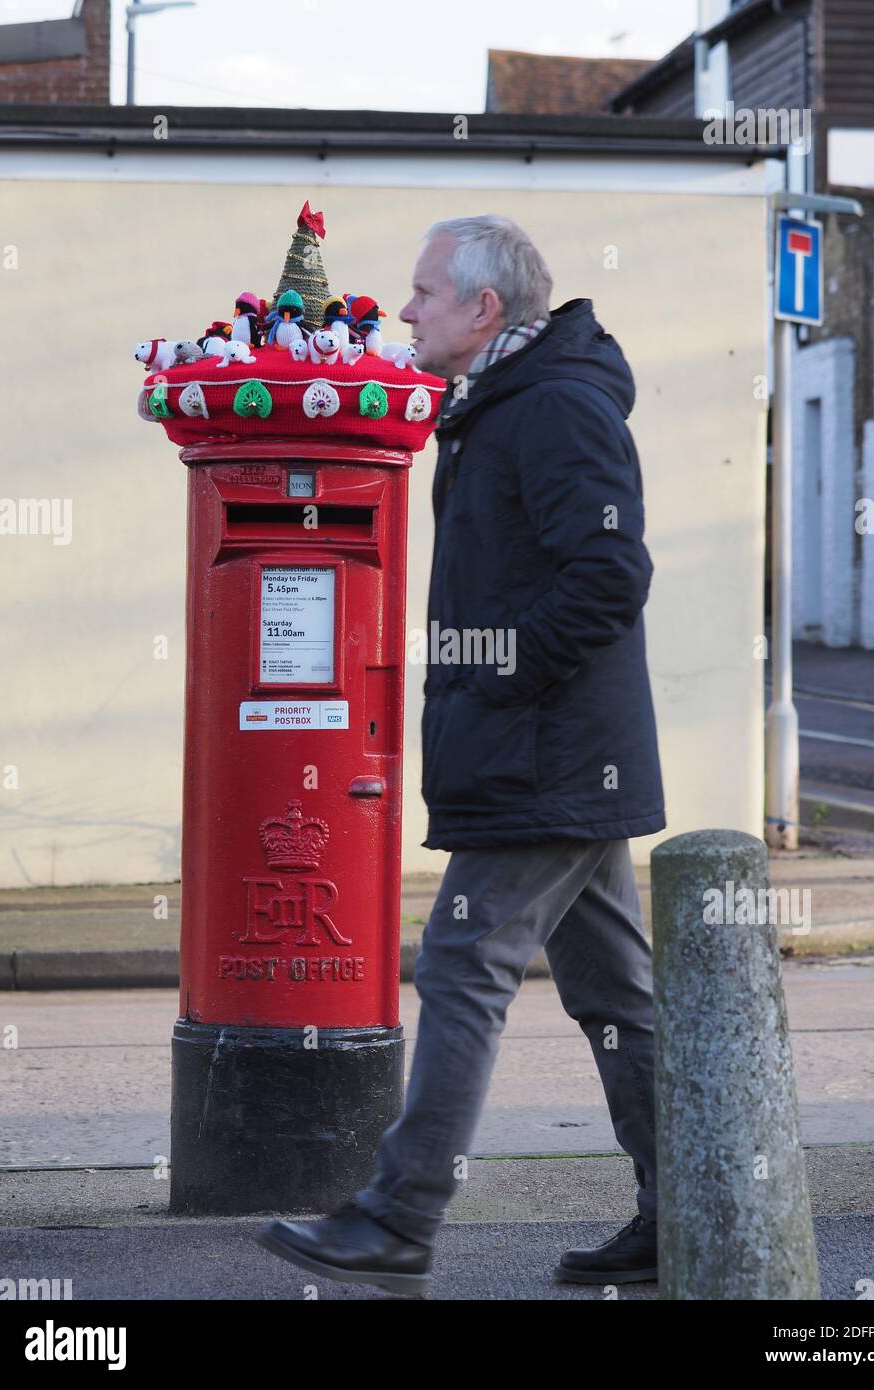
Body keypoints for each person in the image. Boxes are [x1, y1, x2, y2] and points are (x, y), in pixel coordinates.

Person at [256, 214, 666, 1297]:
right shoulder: (501, 408)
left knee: (460, 965)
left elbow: (611, 572)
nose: (405, 310)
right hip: (559, 755)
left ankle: (398, 1216)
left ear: (484, 309)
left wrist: (498, 676)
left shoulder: (557, 408)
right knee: (617, 994)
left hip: (550, 759)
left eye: (424, 291)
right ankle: (692, 1200)